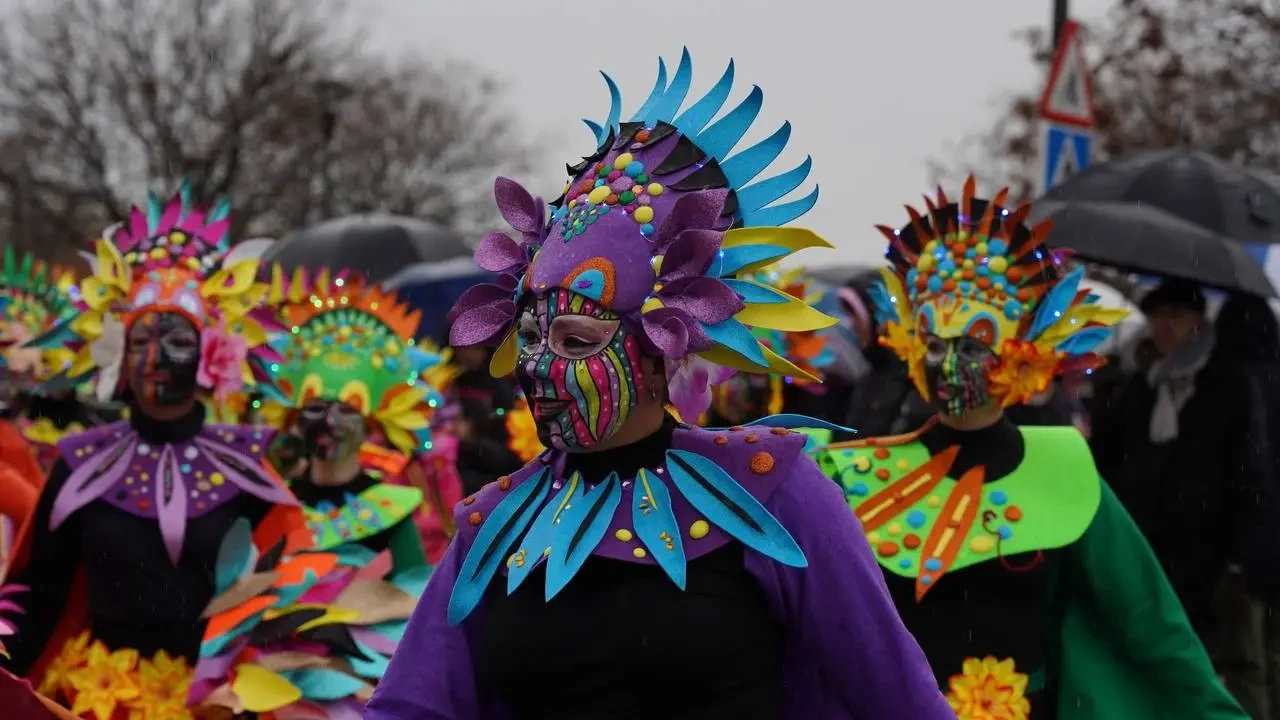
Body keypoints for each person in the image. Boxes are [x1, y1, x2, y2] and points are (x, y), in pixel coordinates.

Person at [366, 51, 953, 720]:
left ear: (659, 347)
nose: (535, 367)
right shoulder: (492, 526)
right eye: (528, 337)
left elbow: (901, 702)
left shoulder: (774, 493)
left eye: (576, 342)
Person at [816, 178, 1245, 719]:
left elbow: (1151, 628)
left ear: (1020, 351)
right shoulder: (860, 474)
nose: (948, 363)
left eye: (972, 344)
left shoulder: (1062, 471)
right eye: (934, 343)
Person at [0, 182, 309, 720]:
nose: (156, 357)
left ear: (213, 352)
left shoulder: (245, 472)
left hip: (208, 707)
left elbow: (289, 594)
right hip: (98, 702)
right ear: (118, 354)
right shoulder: (81, 463)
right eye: (140, 340)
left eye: (178, 340)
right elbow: (37, 595)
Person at [1090, 280, 1268, 658]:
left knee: (1192, 652)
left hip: (1204, 551)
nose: (1164, 327)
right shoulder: (1143, 384)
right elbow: (1111, 454)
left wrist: (1241, 554)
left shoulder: (1230, 384)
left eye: (1176, 316)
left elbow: (1247, 469)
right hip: (1142, 539)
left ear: (1198, 323)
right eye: (1156, 317)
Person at [1210, 293, 1280, 719]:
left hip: (1245, 547)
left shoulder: (1231, 384)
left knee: (1245, 662)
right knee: (1272, 654)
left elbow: (1239, 468)